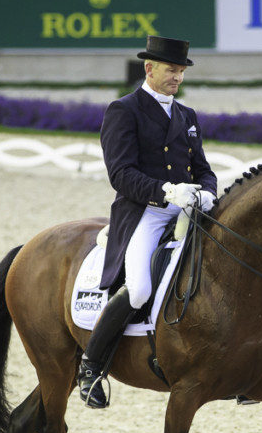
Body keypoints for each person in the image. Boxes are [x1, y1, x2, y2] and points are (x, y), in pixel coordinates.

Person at [78, 35, 218, 409]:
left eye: (181, 71)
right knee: (139, 288)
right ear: (149, 68)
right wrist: (166, 191)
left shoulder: (186, 116)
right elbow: (120, 174)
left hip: (188, 207)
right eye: (171, 70)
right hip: (147, 210)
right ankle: (91, 366)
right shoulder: (124, 110)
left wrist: (207, 191)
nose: (177, 77)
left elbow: (203, 169)